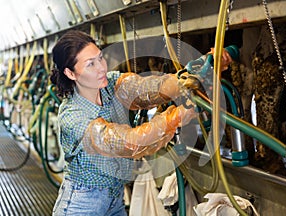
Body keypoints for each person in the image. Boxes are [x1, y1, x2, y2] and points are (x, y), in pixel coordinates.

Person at [50, 30, 232, 216]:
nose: (101, 68)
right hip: (82, 204)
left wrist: (193, 74)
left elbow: (146, 89)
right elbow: (129, 143)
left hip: (115, 200)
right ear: (70, 73)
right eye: (91, 64)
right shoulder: (72, 117)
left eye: (100, 58)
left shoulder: (111, 85)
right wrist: (176, 117)